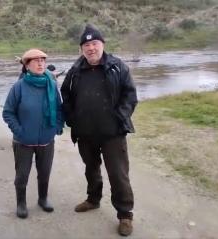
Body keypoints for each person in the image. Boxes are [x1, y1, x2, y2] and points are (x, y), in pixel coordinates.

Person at [60, 25, 138, 236]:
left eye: (94, 43)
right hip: (85, 133)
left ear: (102, 44)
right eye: (86, 45)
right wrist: (71, 118)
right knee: (91, 169)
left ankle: (125, 215)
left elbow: (130, 96)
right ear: (81, 49)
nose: (91, 48)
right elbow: (65, 95)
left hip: (112, 134)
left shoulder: (117, 67)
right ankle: (93, 200)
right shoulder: (75, 71)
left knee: (118, 174)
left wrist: (119, 117)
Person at [2, 49, 64, 219]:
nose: (40, 64)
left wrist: (57, 126)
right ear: (27, 66)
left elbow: (59, 108)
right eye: (35, 61)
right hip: (23, 141)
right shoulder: (19, 87)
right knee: (22, 175)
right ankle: (21, 203)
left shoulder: (51, 84)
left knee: (44, 172)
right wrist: (19, 131)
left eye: (42, 60)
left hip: (46, 139)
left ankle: (43, 199)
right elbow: (8, 112)